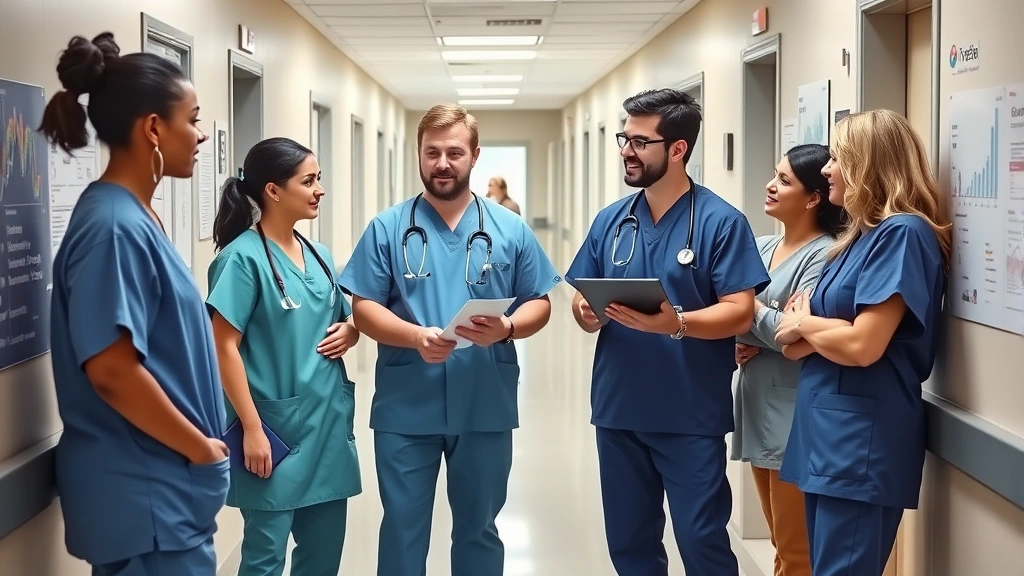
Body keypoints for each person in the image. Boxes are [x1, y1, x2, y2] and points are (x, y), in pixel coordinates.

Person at [338, 104, 560, 576]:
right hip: (406, 403)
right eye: (432, 152)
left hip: (485, 401)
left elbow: (540, 301)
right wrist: (415, 336)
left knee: (479, 527)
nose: (442, 163)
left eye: (454, 152)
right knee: (402, 526)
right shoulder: (388, 228)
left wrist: (509, 328)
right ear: (418, 155)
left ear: (475, 155)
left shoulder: (508, 229)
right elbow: (364, 308)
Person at [43, 32, 230, 575]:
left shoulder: (133, 216)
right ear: (153, 128)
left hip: (161, 493)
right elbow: (112, 371)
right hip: (147, 496)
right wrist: (198, 448)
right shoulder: (113, 228)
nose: (199, 136)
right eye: (192, 120)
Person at [565, 88, 771, 576]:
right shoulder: (613, 221)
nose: (625, 151)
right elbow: (579, 297)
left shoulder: (721, 222)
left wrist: (675, 323)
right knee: (630, 543)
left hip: (688, 413)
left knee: (701, 540)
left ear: (677, 149)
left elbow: (740, 311)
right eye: (624, 139)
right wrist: (586, 312)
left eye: (639, 142)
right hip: (619, 410)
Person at [774, 110, 950, 576]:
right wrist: (819, 330)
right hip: (824, 433)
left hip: (859, 442)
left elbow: (864, 347)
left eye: (838, 158)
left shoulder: (903, 235)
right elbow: (788, 342)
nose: (827, 169)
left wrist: (810, 325)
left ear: (868, 165)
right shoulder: (853, 239)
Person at [206, 137, 362, 576]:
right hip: (274, 436)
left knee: (323, 557)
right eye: (308, 181)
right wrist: (252, 429)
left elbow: (342, 317)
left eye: (319, 180)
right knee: (264, 557)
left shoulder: (319, 254)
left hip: (327, 430)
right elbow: (223, 347)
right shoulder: (241, 260)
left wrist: (351, 331)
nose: (320, 189)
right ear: (273, 191)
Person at [730, 144, 846, 576]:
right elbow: (738, 318)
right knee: (781, 541)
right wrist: (741, 332)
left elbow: (795, 331)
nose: (769, 185)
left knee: (798, 551)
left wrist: (749, 312)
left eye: (783, 180)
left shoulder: (826, 254)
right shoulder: (761, 247)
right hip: (757, 404)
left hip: (794, 412)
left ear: (814, 197)